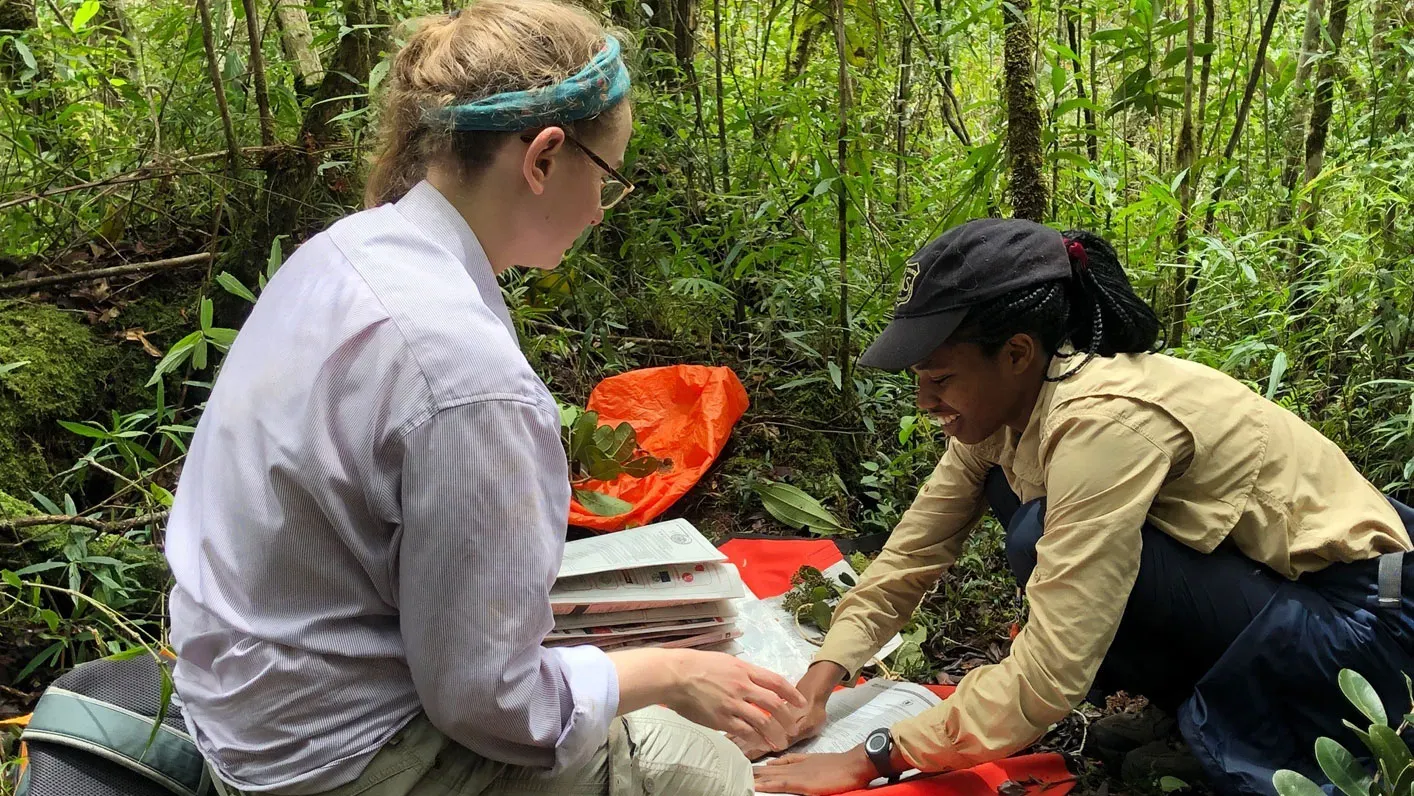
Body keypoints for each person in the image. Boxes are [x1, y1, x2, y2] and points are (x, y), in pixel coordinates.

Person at [162, 3, 805, 795]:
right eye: (609, 175)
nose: (604, 208)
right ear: (542, 158)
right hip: (336, 758)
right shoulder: (469, 379)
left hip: (244, 705)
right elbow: (489, 702)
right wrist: (669, 670)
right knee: (707, 765)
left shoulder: (335, 256)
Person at [748, 218, 1414, 796]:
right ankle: (1197, 711)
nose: (925, 401)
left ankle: (1257, 721)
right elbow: (909, 559)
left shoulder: (1102, 424)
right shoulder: (1005, 415)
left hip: (1362, 631)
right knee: (1029, 513)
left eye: (941, 378)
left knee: (1038, 537)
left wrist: (872, 756)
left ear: (1016, 353)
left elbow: (1051, 670)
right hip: (1289, 601)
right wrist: (821, 680)